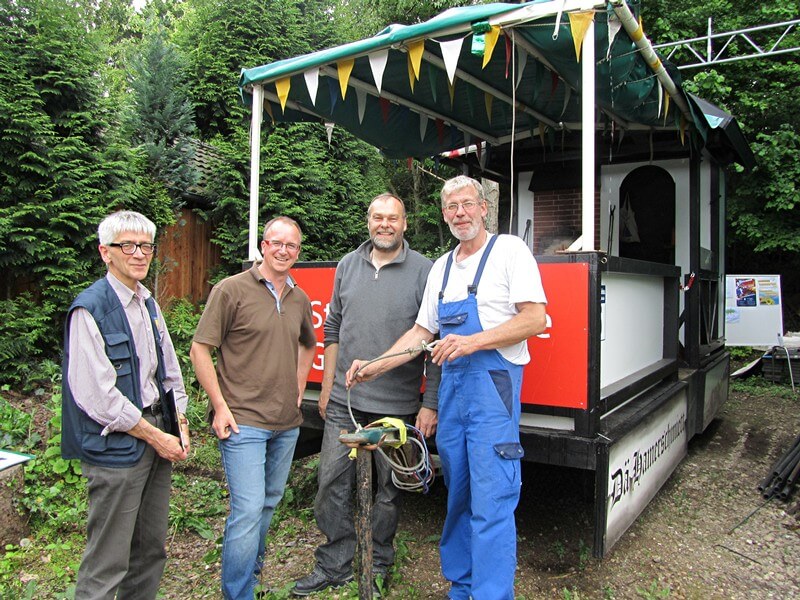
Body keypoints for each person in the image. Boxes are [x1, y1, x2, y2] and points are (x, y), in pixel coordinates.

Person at [347, 176, 548, 600]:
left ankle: (492, 594)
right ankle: (462, 587)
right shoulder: (440, 268)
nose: (460, 212)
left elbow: (535, 319)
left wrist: (472, 341)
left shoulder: (509, 251)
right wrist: (375, 365)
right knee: (458, 494)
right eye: (451, 207)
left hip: (493, 391)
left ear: (483, 208)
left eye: (467, 204)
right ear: (444, 214)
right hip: (455, 398)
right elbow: (422, 331)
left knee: (492, 498)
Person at [293, 194, 440, 597]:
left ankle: (377, 563)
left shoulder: (424, 270)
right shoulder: (347, 265)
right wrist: (327, 387)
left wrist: (431, 403)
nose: (385, 224)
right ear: (368, 221)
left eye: (393, 218)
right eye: (378, 217)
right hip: (346, 402)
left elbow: (432, 341)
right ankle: (334, 563)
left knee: (389, 493)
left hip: (398, 406)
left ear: (405, 223)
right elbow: (334, 328)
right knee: (330, 486)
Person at [61, 210, 190, 600]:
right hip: (117, 448)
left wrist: (179, 422)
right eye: (128, 246)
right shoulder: (90, 309)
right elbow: (97, 396)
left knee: (150, 551)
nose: (140, 254)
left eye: (146, 246)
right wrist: (155, 437)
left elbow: (169, 371)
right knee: (108, 562)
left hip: (156, 440)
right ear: (106, 252)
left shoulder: (148, 303)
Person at [190, 216, 317, 600]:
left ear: (298, 251)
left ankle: (250, 575)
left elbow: (308, 344)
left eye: (291, 246)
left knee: (267, 504)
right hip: (242, 421)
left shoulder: (298, 298)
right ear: (263, 246)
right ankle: (238, 593)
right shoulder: (231, 290)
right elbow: (200, 348)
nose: (283, 251)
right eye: (276, 243)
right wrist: (220, 407)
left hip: (286, 423)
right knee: (246, 511)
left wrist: (298, 388)